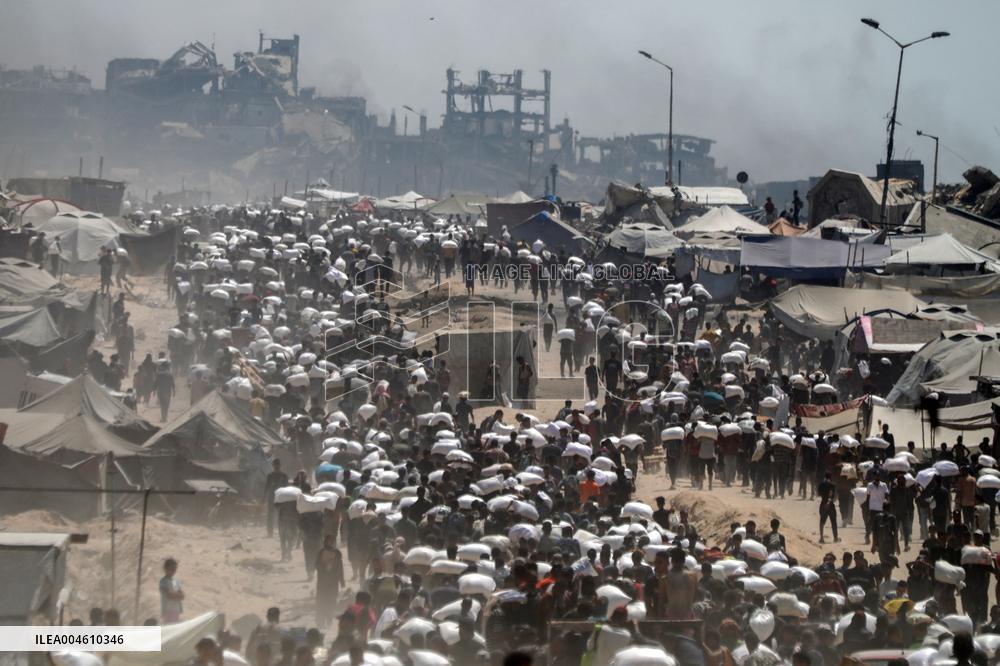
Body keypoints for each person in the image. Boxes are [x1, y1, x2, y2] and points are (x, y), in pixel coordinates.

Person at [315, 535, 344, 629]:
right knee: (322, 601)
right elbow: (316, 565)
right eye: (328, 541)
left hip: (333, 582)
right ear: (325, 542)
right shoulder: (321, 552)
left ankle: (329, 619)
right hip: (322, 582)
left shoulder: (337, 553)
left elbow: (340, 567)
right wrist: (324, 566)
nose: (330, 543)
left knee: (332, 601)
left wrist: (342, 580)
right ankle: (321, 620)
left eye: (332, 541)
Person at [159, 557, 184, 624]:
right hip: (167, 611)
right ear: (166, 568)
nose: (173, 571)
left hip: (177, 610)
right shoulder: (163, 581)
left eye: (175, 569)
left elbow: (182, 596)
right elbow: (169, 595)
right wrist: (177, 595)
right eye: (171, 568)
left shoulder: (177, 581)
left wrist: (175, 594)